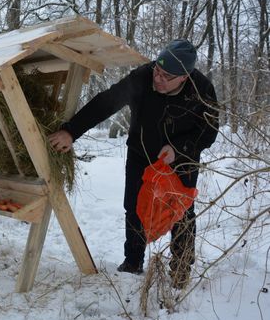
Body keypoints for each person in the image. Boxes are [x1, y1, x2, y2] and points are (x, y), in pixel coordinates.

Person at [49, 39, 219, 289]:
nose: (158, 79)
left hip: (181, 158)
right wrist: (71, 131)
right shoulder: (142, 77)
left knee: (181, 211)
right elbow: (105, 103)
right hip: (142, 152)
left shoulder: (201, 90)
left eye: (166, 76)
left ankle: (181, 268)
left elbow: (209, 131)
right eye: (157, 71)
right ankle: (133, 261)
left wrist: (179, 149)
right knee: (134, 207)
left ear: (184, 77)